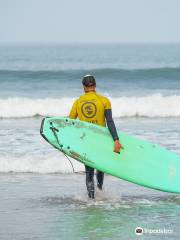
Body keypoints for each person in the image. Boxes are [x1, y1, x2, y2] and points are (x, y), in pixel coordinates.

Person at [69, 75, 122, 199]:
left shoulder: (78, 102)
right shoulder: (104, 100)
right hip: (101, 140)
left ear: (83, 87)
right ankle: (100, 191)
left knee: (89, 171)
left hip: (85, 140)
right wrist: (116, 140)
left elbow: (70, 122)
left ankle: (91, 199)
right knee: (100, 168)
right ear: (95, 85)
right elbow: (109, 121)